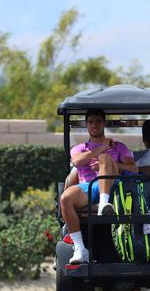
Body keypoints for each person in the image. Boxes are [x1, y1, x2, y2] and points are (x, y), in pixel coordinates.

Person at [59, 108, 138, 264]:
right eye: (91, 121)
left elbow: (134, 169)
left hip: (113, 186)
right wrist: (101, 148)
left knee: (104, 158)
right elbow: (76, 161)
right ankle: (81, 249)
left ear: (104, 123)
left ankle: (103, 203)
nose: (94, 125)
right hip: (88, 186)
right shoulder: (79, 148)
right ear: (86, 125)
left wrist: (108, 163)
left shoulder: (119, 146)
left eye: (98, 121)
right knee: (65, 198)